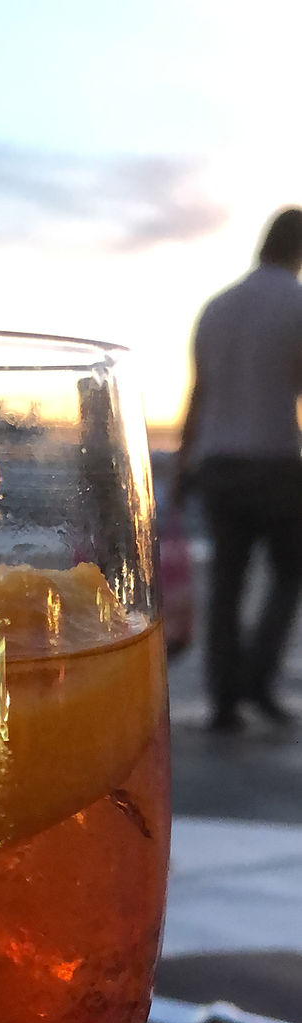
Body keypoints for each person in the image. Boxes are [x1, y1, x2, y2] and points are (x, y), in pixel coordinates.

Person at [174, 208, 302, 731]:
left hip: (218, 465)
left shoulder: (217, 307)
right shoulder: (295, 303)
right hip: (275, 463)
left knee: (226, 586)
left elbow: (199, 395)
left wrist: (184, 465)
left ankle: (225, 698)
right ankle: (258, 678)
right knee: (288, 575)